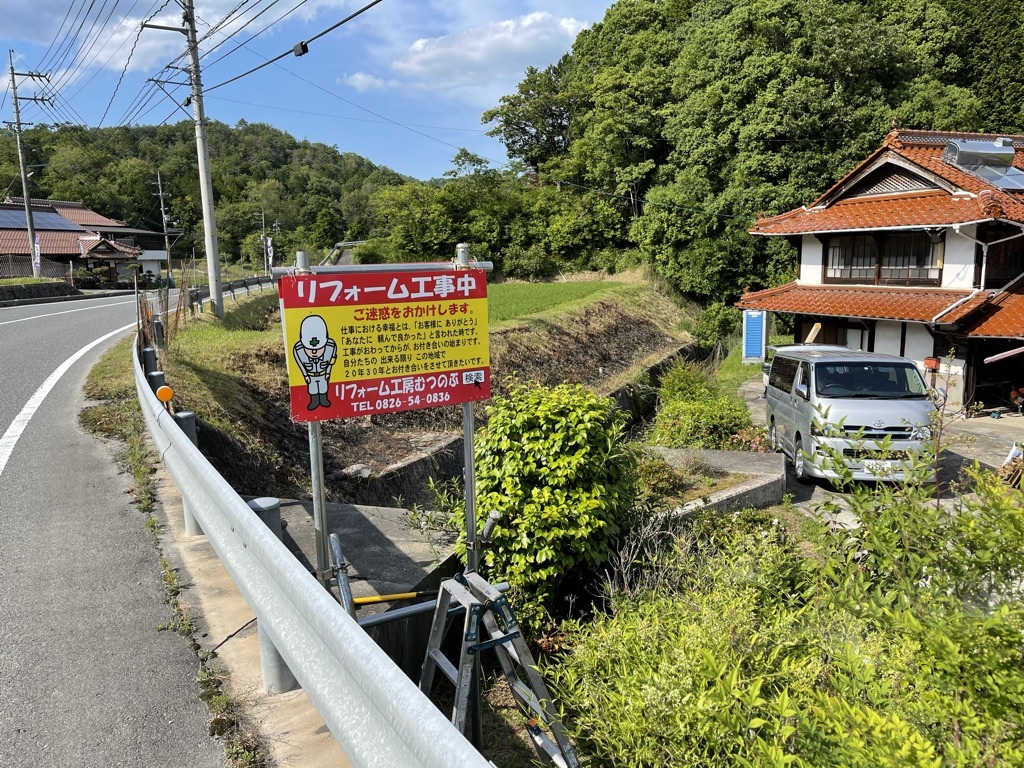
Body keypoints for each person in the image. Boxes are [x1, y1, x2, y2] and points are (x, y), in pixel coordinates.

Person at [293, 314, 336, 411]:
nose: (314, 352)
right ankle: (314, 401)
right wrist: (305, 375)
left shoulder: (330, 348)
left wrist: (328, 373)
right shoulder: (298, 350)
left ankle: (324, 399)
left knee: (323, 387)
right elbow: (300, 364)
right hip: (311, 375)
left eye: (319, 349)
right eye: (310, 349)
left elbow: (331, 363)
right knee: (312, 389)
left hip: (322, 374)